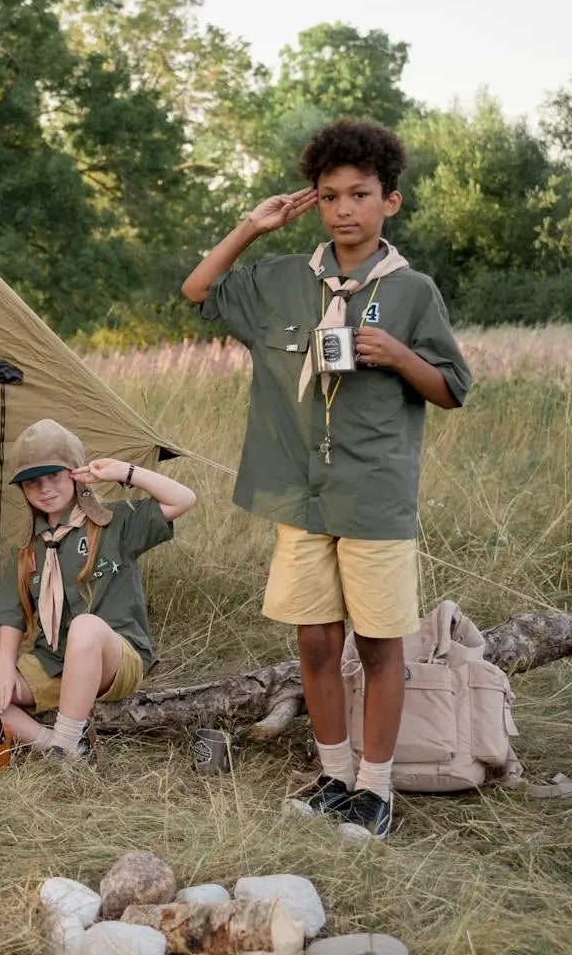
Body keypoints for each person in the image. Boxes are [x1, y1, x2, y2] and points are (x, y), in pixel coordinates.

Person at [181, 119, 471, 838]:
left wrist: (400, 356)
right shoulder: (282, 282)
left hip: (372, 494)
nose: (345, 209)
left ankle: (376, 790)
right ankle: (334, 775)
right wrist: (253, 226)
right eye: (331, 195)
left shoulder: (411, 291)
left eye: (361, 195)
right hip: (298, 492)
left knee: (378, 645)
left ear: (390, 203)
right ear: (315, 200)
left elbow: (452, 387)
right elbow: (197, 290)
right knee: (315, 641)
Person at [0, 418, 195, 761]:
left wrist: (123, 472)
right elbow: (11, 616)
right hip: (54, 663)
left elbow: (184, 499)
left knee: (86, 627)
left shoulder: (114, 522)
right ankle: (56, 746)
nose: (45, 488)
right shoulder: (27, 547)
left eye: (55, 475)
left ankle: (66, 740)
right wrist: (5, 667)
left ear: (76, 474)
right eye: (33, 482)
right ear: (23, 489)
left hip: (115, 658)